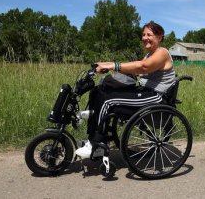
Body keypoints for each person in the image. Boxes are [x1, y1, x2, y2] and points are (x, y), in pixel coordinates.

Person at [75, 21, 176, 158]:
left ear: (159, 37)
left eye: (149, 35)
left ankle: (96, 143)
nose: (144, 38)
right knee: (101, 92)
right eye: (143, 34)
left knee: (108, 102)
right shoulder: (149, 55)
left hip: (157, 96)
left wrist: (112, 66)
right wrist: (104, 64)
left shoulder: (162, 53)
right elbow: (136, 68)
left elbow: (143, 67)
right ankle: (93, 118)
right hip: (145, 91)